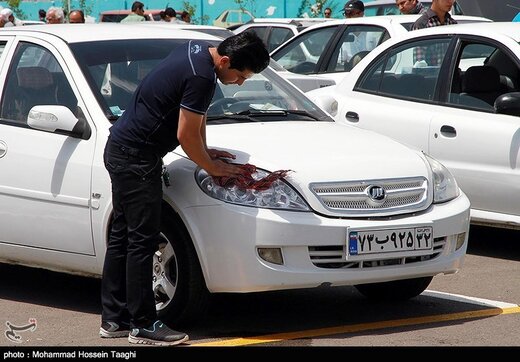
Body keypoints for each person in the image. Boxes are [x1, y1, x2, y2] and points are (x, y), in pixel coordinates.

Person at [100, 31, 270, 346]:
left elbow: (196, 120)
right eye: (240, 76)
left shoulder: (195, 51)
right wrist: (212, 166)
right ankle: (144, 325)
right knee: (142, 242)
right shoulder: (202, 77)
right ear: (226, 60)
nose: (240, 83)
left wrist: (206, 151)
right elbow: (185, 133)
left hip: (122, 149)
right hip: (136, 159)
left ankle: (114, 319)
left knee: (123, 237)